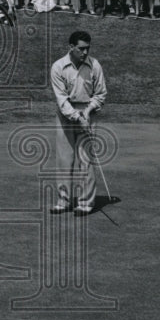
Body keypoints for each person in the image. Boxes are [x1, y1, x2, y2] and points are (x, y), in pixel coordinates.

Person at [50, 30, 107, 216]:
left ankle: (85, 202)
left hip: (88, 111)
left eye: (87, 49)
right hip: (65, 114)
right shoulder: (58, 67)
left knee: (86, 159)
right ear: (71, 47)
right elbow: (61, 99)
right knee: (64, 159)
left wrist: (88, 112)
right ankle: (63, 200)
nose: (85, 52)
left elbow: (100, 94)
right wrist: (76, 116)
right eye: (81, 48)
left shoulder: (94, 65)